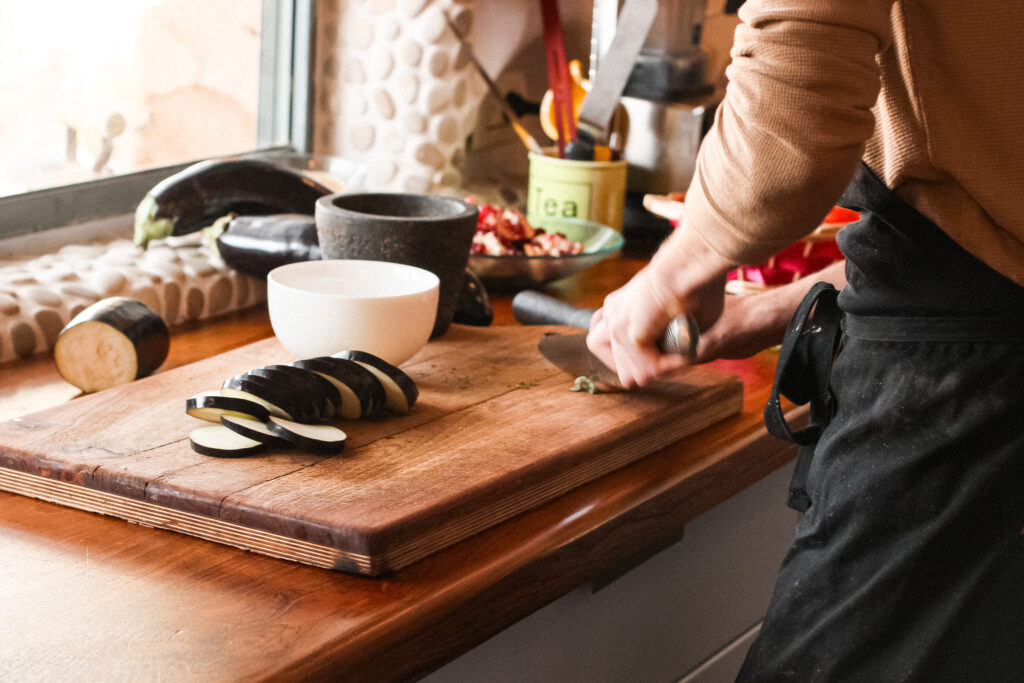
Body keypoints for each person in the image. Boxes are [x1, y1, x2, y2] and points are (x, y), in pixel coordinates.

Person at [586, 1, 1024, 680]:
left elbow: (795, 105)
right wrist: (756, 315)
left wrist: (677, 268)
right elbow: (990, 209)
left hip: (967, 396)